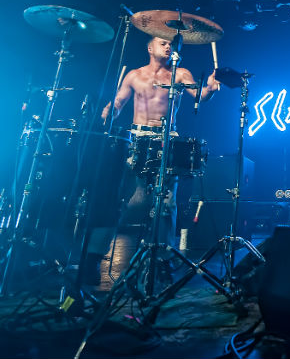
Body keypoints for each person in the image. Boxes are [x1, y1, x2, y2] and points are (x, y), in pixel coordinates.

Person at [83, 35, 220, 284]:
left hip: (166, 140)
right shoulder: (134, 75)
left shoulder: (180, 74)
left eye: (171, 43)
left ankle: (162, 259)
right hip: (136, 138)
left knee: (166, 204)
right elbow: (117, 103)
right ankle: (92, 259)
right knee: (120, 201)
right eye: (162, 42)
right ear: (149, 47)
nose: (168, 46)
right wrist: (107, 112)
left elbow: (198, 96)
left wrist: (209, 89)